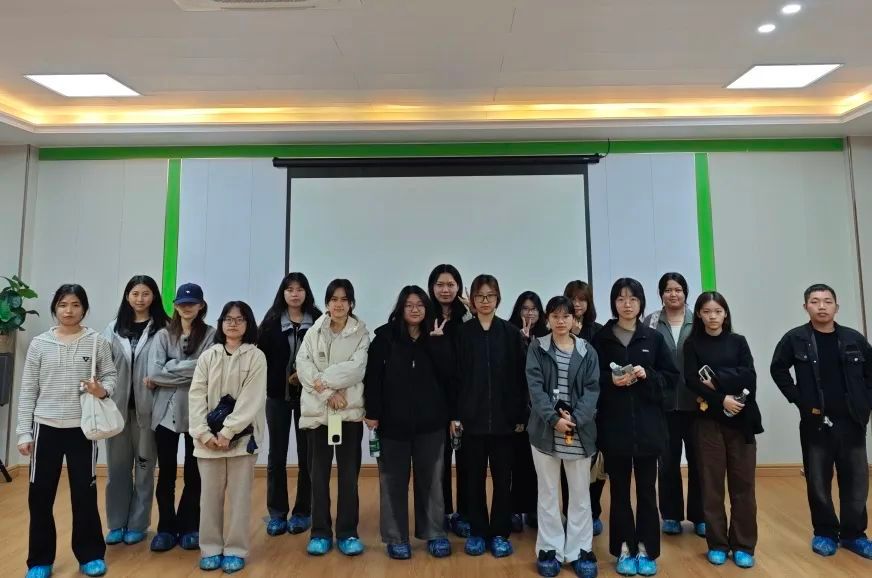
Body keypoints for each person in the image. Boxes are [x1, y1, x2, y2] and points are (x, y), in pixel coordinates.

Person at [17, 284, 118, 578]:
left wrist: (102, 390)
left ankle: (90, 555)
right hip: (45, 428)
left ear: (84, 308)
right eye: (63, 305)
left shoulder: (96, 342)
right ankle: (40, 561)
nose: (69, 311)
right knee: (40, 496)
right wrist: (24, 432)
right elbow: (28, 389)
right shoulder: (39, 344)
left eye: (75, 305)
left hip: (82, 429)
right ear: (55, 308)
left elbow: (110, 376)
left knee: (84, 495)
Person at [770, 283, 872, 560]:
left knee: (856, 481)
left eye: (827, 301)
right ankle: (825, 532)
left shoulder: (853, 339)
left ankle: (854, 535)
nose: (822, 306)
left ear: (836, 307)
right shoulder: (795, 339)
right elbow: (778, 369)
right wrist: (799, 399)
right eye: (815, 301)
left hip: (852, 421)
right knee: (818, 479)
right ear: (806, 307)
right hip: (815, 421)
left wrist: (866, 402)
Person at [591, 278, 678, 577]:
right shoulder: (602, 339)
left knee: (646, 492)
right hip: (614, 428)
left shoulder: (653, 338)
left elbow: (671, 377)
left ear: (641, 303)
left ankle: (646, 549)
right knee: (618, 492)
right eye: (620, 298)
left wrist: (647, 374)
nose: (627, 304)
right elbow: (591, 379)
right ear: (613, 303)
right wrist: (610, 380)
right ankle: (623, 549)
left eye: (633, 299)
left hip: (648, 428)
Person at [364, 286, 453, 560]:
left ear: (427, 309)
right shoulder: (384, 338)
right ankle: (396, 537)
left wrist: (438, 345)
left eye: (420, 305)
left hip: (431, 424)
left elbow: (450, 378)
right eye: (409, 305)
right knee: (392, 481)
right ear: (400, 308)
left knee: (432, 482)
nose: (415, 310)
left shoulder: (437, 337)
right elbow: (372, 379)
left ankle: (435, 533)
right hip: (392, 425)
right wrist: (373, 413)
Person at [684, 292, 762, 568]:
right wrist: (722, 398)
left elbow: (749, 377)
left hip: (741, 421)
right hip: (708, 421)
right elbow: (692, 381)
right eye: (707, 312)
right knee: (712, 485)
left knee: (744, 486)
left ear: (725, 313)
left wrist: (716, 380)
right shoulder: (692, 344)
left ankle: (743, 545)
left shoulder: (738, 341)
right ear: (699, 315)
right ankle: (717, 544)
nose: (713, 316)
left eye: (718, 311)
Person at [189, 301, 267, 574]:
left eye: (240, 319)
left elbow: (251, 400)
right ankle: (210, 548)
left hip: (242, 439)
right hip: (208, 442)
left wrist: (227, 432)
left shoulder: (256, 356)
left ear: (248, 324)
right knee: (209, 498)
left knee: (239, 498)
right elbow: (196, 396)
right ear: (221, 323)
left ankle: (235, 550)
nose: (233, 324)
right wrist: (203, 433)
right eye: (228, 319)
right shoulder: (208, 356)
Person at [526, 295, 600, 578]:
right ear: (547, 319)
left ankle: (580, 550)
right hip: (546, 432)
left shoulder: (587, 350)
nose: (560, 321)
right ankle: (549, 549)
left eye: (565, 316)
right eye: (555, 316)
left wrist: (575, 420)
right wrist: (554, 419)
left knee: (580, 495)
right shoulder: (538, 348)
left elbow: (592, 390)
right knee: (547, 493)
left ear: (574, 319)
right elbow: (535, 389)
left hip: (579, 432)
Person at [455, 274, 527, 558]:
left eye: (490, 295)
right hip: (471, 421)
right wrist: (456, 415)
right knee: (472, 479)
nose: (485, 301)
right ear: (472, 300)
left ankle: (499, 532)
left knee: (502, 480)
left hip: (504, 423)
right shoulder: (462, 334)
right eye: (480, 296)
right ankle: (477, 531)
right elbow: (455, 379)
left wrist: (519, 416)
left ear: (498, 298)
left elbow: (520, 379)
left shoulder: (510, 333)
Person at [296, 279, 370, 556]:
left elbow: (356, 369)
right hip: (319, 413)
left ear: (351, 303)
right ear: (327, 303)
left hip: (347, 414)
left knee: (349, 477)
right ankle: (320, 532)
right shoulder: (313, 332)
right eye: (333, 299)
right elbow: (302, 366)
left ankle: (348, 533)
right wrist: (327, 393)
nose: (338, 304)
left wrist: (322, 382)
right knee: (318, 476)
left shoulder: (361, 333)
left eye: (344, 299)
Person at [147, 283, 216, 552]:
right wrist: (189, 372)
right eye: (182, 303)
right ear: (175, 306)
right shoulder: (163, 335)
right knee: (165, 473)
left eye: (192, 303)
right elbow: (154, 373)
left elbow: (208, 369)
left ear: (201, 306)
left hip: (197, 412)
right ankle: (166, 528)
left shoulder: (211, 334)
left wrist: (170, 367)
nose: (187, 307)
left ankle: (190, 526)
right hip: (165, 413)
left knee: (193, 473)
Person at [103, 275, 170, 547]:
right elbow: (102, 365)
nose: (140, 299)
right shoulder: (113, 328)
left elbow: (171, 364)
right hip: (117, 410)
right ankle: (116, 523)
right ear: (127, 296)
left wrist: (159, 379)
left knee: (144, 468)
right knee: (117, 469)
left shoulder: (164, 328)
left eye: (145, 293)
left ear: (154, 296)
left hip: (149, 409)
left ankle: (138, 524)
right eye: (135, 293)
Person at [257, 272, 322, 537]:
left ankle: (303, 512)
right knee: (276, 456)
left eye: (299, 289)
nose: (295, 294)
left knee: (308, 456)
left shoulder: (318, 320)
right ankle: (277, 513)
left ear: (307, 292)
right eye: (290, 289)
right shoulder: (271, 321)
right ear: (283, 293)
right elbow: (260, 358)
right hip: (277, 398)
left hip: (310, 398)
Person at [642, 273, 704, 537]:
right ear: (661, 294)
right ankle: (670, 515)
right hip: (663, 405)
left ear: (685, 293)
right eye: (668, 290)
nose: (673, 294)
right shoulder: (651, 321)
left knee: (699, 462)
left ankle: (701, 516)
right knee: (667, 463)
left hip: (697, 404)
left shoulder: (698, 320)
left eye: (678, 289)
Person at [427, 264, 472, 537]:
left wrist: (472, 313)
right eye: (440, 284)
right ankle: (443, 512)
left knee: (466, 460)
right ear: (432, 287)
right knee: (439, 461)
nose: (445, 290)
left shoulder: (466, 317)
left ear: (458, 287)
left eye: (451, 284)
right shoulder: (424, 315)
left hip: (465, 400)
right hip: (435, 402)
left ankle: (464, 513)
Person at [563, 280, 606, 536]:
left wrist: (580, 339)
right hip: (566, 412)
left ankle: (593, 511)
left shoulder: (598, 332)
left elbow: (596, 371)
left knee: (595, 464)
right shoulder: (558, 331)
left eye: (582, 299)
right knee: (568, 463)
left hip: (593, 410)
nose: (577, 304)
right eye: (572, 299)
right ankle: (570, 513)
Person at [508, 291, 548, 532]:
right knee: (516, 462)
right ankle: (514, 509)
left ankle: (533, 509)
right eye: (525, 308)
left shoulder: (547, 337)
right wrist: (521, 343)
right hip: (516, 409)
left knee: (537, 465)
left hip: (541, 410)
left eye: (534, 309)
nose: (529, 313)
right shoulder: (509, 334)